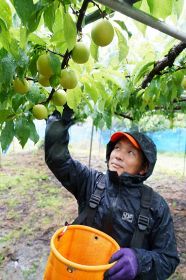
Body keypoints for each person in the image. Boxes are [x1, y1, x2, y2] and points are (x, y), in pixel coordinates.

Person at [45, 106, 180, 280]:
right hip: (81, 273)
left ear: (143, 168)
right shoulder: (91, 182)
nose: (118, 155)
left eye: (130, 152)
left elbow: (168, 259)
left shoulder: (156, 205)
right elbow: (58, 159)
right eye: (117, 148)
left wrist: (139, 261)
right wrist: (58, 122)